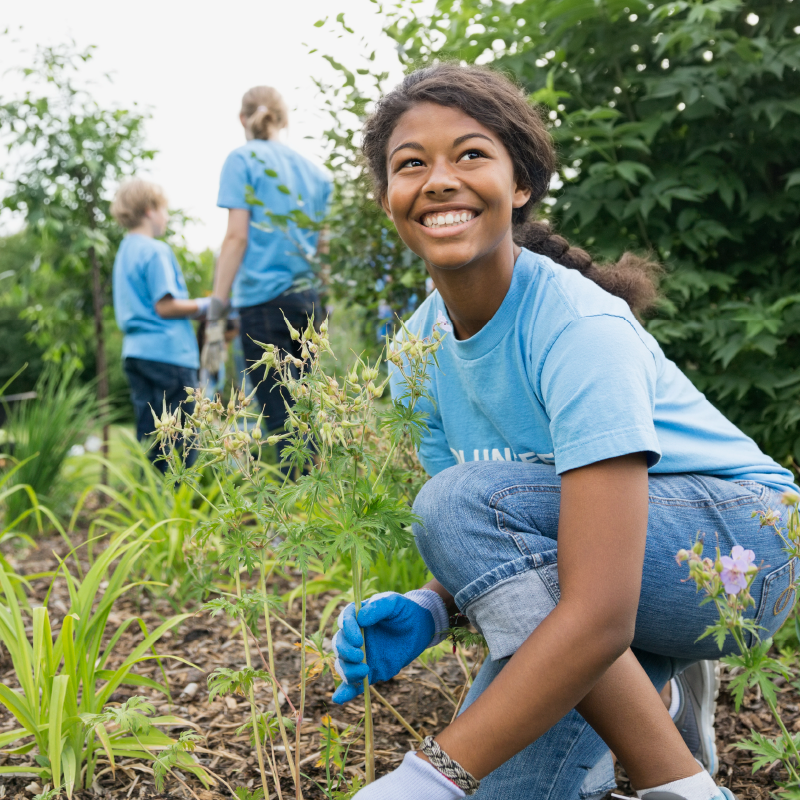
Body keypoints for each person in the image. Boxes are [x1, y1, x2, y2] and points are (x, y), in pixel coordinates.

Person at [330, 65, 799, 800]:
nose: (439, 179)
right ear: (389, 198)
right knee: (508, 787)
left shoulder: (577, 327)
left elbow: (582, 593)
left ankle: (676, 779)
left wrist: (429, 776)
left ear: (519, 186)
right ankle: (662, 711)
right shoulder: (416, 356)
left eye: (471, 154)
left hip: (743, 550)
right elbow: (516, 543)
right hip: (606, 571)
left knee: (456, 506)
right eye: (410, 163)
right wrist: (431, 604)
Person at [204, 85, 332, 435]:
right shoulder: (316, 174)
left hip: (262, 305)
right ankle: (317, 489)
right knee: (309, 414)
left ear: (242, 119)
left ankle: (297, 490)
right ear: (283, 119)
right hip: (309, 303)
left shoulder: (241, 160)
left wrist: (218, 306)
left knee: (281, 422)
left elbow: (237, 236)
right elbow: (324, 249)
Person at [111, 179, 209, 472]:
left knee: (152, 440)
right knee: (181, 445)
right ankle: (178, 512)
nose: (166, 216)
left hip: (136, 355)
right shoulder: (155, 251)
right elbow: (165, 306)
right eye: (165, 209)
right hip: (169, 356)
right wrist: (208, 306)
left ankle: (152, 508)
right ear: (150, 209)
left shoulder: (124, 251)